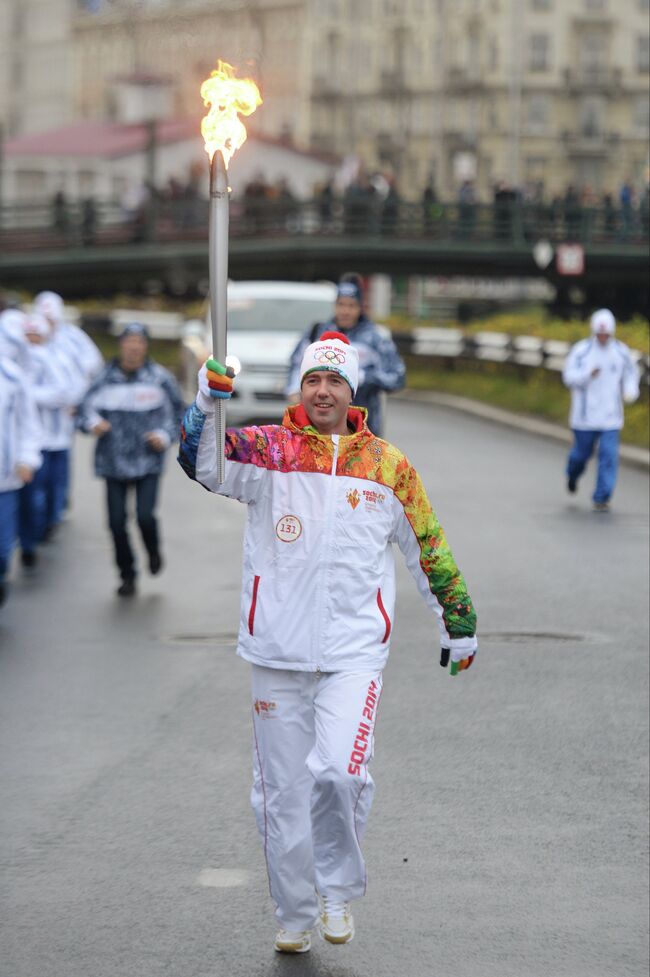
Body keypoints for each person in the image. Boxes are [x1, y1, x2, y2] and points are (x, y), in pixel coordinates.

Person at [178, 330, 477, 954]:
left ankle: (336, 890)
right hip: (275, 651)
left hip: (353, 652)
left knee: (340, 774)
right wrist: (206, 402)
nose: (322, 391)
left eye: (334, 381)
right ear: (302, 386)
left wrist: (458, 623)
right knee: (281, 797)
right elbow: (201, 462)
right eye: (313, 379)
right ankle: (293, 915)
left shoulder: (387, 466)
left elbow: (429, 549)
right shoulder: (269, 451)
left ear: (352, 392)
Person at [77, 323, 185, 596]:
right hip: (112, 460)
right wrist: (94, 423)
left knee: (145, 517)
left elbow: (180, 415)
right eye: (129, 341)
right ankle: (127, 573)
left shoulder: (160, 378)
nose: (134, 347)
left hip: (147, 460)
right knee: (116, 522)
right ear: (121, 344)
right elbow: (83, 411)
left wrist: (164, 434)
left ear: (145, 346)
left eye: (140, 341)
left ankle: (153, 550)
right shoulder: (103, 378)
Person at [286, 278, 405, 437]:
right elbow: (295, 363)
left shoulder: (375, 338)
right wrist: (294, 389)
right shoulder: (318, 332)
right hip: (318, 426)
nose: (345, 311)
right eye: (341, 304)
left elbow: (397, 377)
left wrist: (365, 377)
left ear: (360, 307)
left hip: (364, 429)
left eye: (351, 305)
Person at [562, 309, 640, 511]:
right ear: (594, 332)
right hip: (584, 417)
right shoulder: (582, 351)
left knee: (608, 456)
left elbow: (632, 374)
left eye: (607, 334)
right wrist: (588, 374)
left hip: (610, 417)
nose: (603, 338)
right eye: (600, 334)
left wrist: (630, 391)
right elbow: (568, 377)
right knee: (581, 455)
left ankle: (601, 496)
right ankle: (573, 474)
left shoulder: (621, 352)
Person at [0, 333, 42, 608]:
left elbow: (28, 423)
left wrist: (27, 458)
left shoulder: (12, 377)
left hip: (5, 481)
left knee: (3, 550)